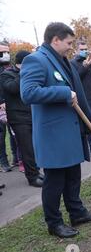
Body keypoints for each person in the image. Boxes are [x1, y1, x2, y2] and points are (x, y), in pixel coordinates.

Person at [20, 22, 91, 238]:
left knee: (73, 177)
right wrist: (62, 93)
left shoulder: (63, 61)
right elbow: (28, 93)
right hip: (54, 136)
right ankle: (54, 223)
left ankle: (77, 213)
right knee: (54, 181)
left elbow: (79, 95)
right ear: (55, 40)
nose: (71, 47)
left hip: (71, 133)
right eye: (68, 43)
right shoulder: (36, 60)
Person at [0, 51, 44, 187]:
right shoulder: (6, 74)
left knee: (35, 146)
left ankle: (36, 171)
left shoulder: (26, 73)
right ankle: (32, 177)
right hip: (18, 117)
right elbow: (13, 88)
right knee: (27, 148)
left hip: (32, 114)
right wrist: (24, 72)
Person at [0, 42, 19, 172]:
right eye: (3, 52)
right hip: (1, 106)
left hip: (12, 105)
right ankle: (3, 162)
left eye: (7, 51)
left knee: (15, 134)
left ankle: (16, 158)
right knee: (1, 136)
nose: (5, 54)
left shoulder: (10, 67)